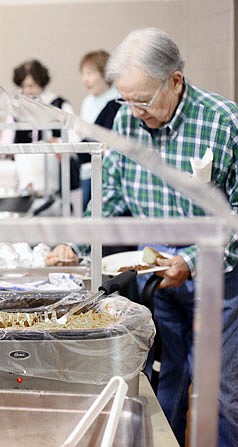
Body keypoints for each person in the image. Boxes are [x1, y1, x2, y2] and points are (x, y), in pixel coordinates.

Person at [49, 27, 238, 447]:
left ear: (175, 79)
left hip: (218, 273)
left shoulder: (223, 121)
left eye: (144, 99)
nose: (135, 112)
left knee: (223, 393)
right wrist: (76, 244)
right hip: (155, 270)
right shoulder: (126, 121)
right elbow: (110, 196)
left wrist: (189, 258)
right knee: (163, 379)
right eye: (126, 99)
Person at [0, 59, 80, 211]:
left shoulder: (60, 105)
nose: (27, 91)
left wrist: (59, 142)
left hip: (56, 177)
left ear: (41, 83)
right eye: (23, 86)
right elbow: (4, 143)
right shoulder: (16, 109)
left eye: (31, 86)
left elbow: (75, 138)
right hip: (26, 176)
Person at [78, 50, 120, 209]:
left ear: (105, 73)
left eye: (90, 73)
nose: (84, 80)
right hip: (88, 170)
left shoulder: (117, 101)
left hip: (107, 173)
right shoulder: (87, 102)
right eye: (82, 74)